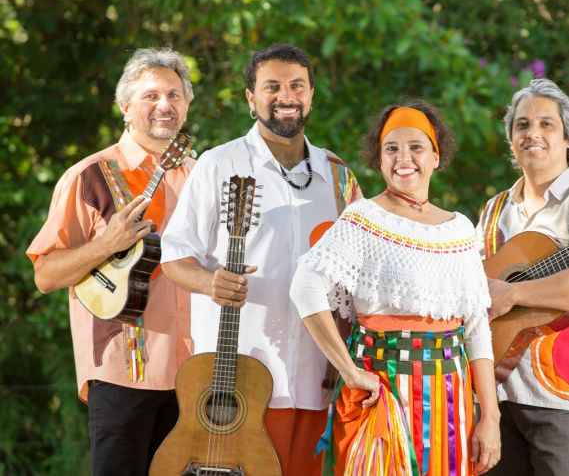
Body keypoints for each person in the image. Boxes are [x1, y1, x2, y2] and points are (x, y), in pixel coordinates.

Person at [160, 43, 361, 476]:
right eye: (272, 86)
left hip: (315, 374)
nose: (285, 96)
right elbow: (174, 257)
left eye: (296, 86)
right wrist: (209, 282)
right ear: (251, 98)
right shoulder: (219, 163)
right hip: (238, 381)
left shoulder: (338, 175)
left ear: (311, 95)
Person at [289, 102, 501, 476]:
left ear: (436, 156)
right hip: (381, 394)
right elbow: (304, 287)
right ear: (379, 159)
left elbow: (476, 328)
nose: (404, 158)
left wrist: (491, 416)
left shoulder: (459, 230)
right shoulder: (363, 220)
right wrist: (350, 372)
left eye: (416, 147)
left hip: (450, 399)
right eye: (392, 148)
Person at [27, 48, 196, 476]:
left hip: (196, 374)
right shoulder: (90, 177)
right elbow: (46, 274)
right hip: (123, 371)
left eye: (175, 96)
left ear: (188, 105)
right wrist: (107, 244)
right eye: (151, 95)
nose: (165, 105)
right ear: (125, 108)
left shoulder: (204, 177)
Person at [477, 78, 569, 475]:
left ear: (568, 139)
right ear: (511, 139)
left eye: (546, 125)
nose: (533, 134)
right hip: (494, 393)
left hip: (561, 394)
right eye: (522, 125)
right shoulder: (494, 209)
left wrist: (513, 293)